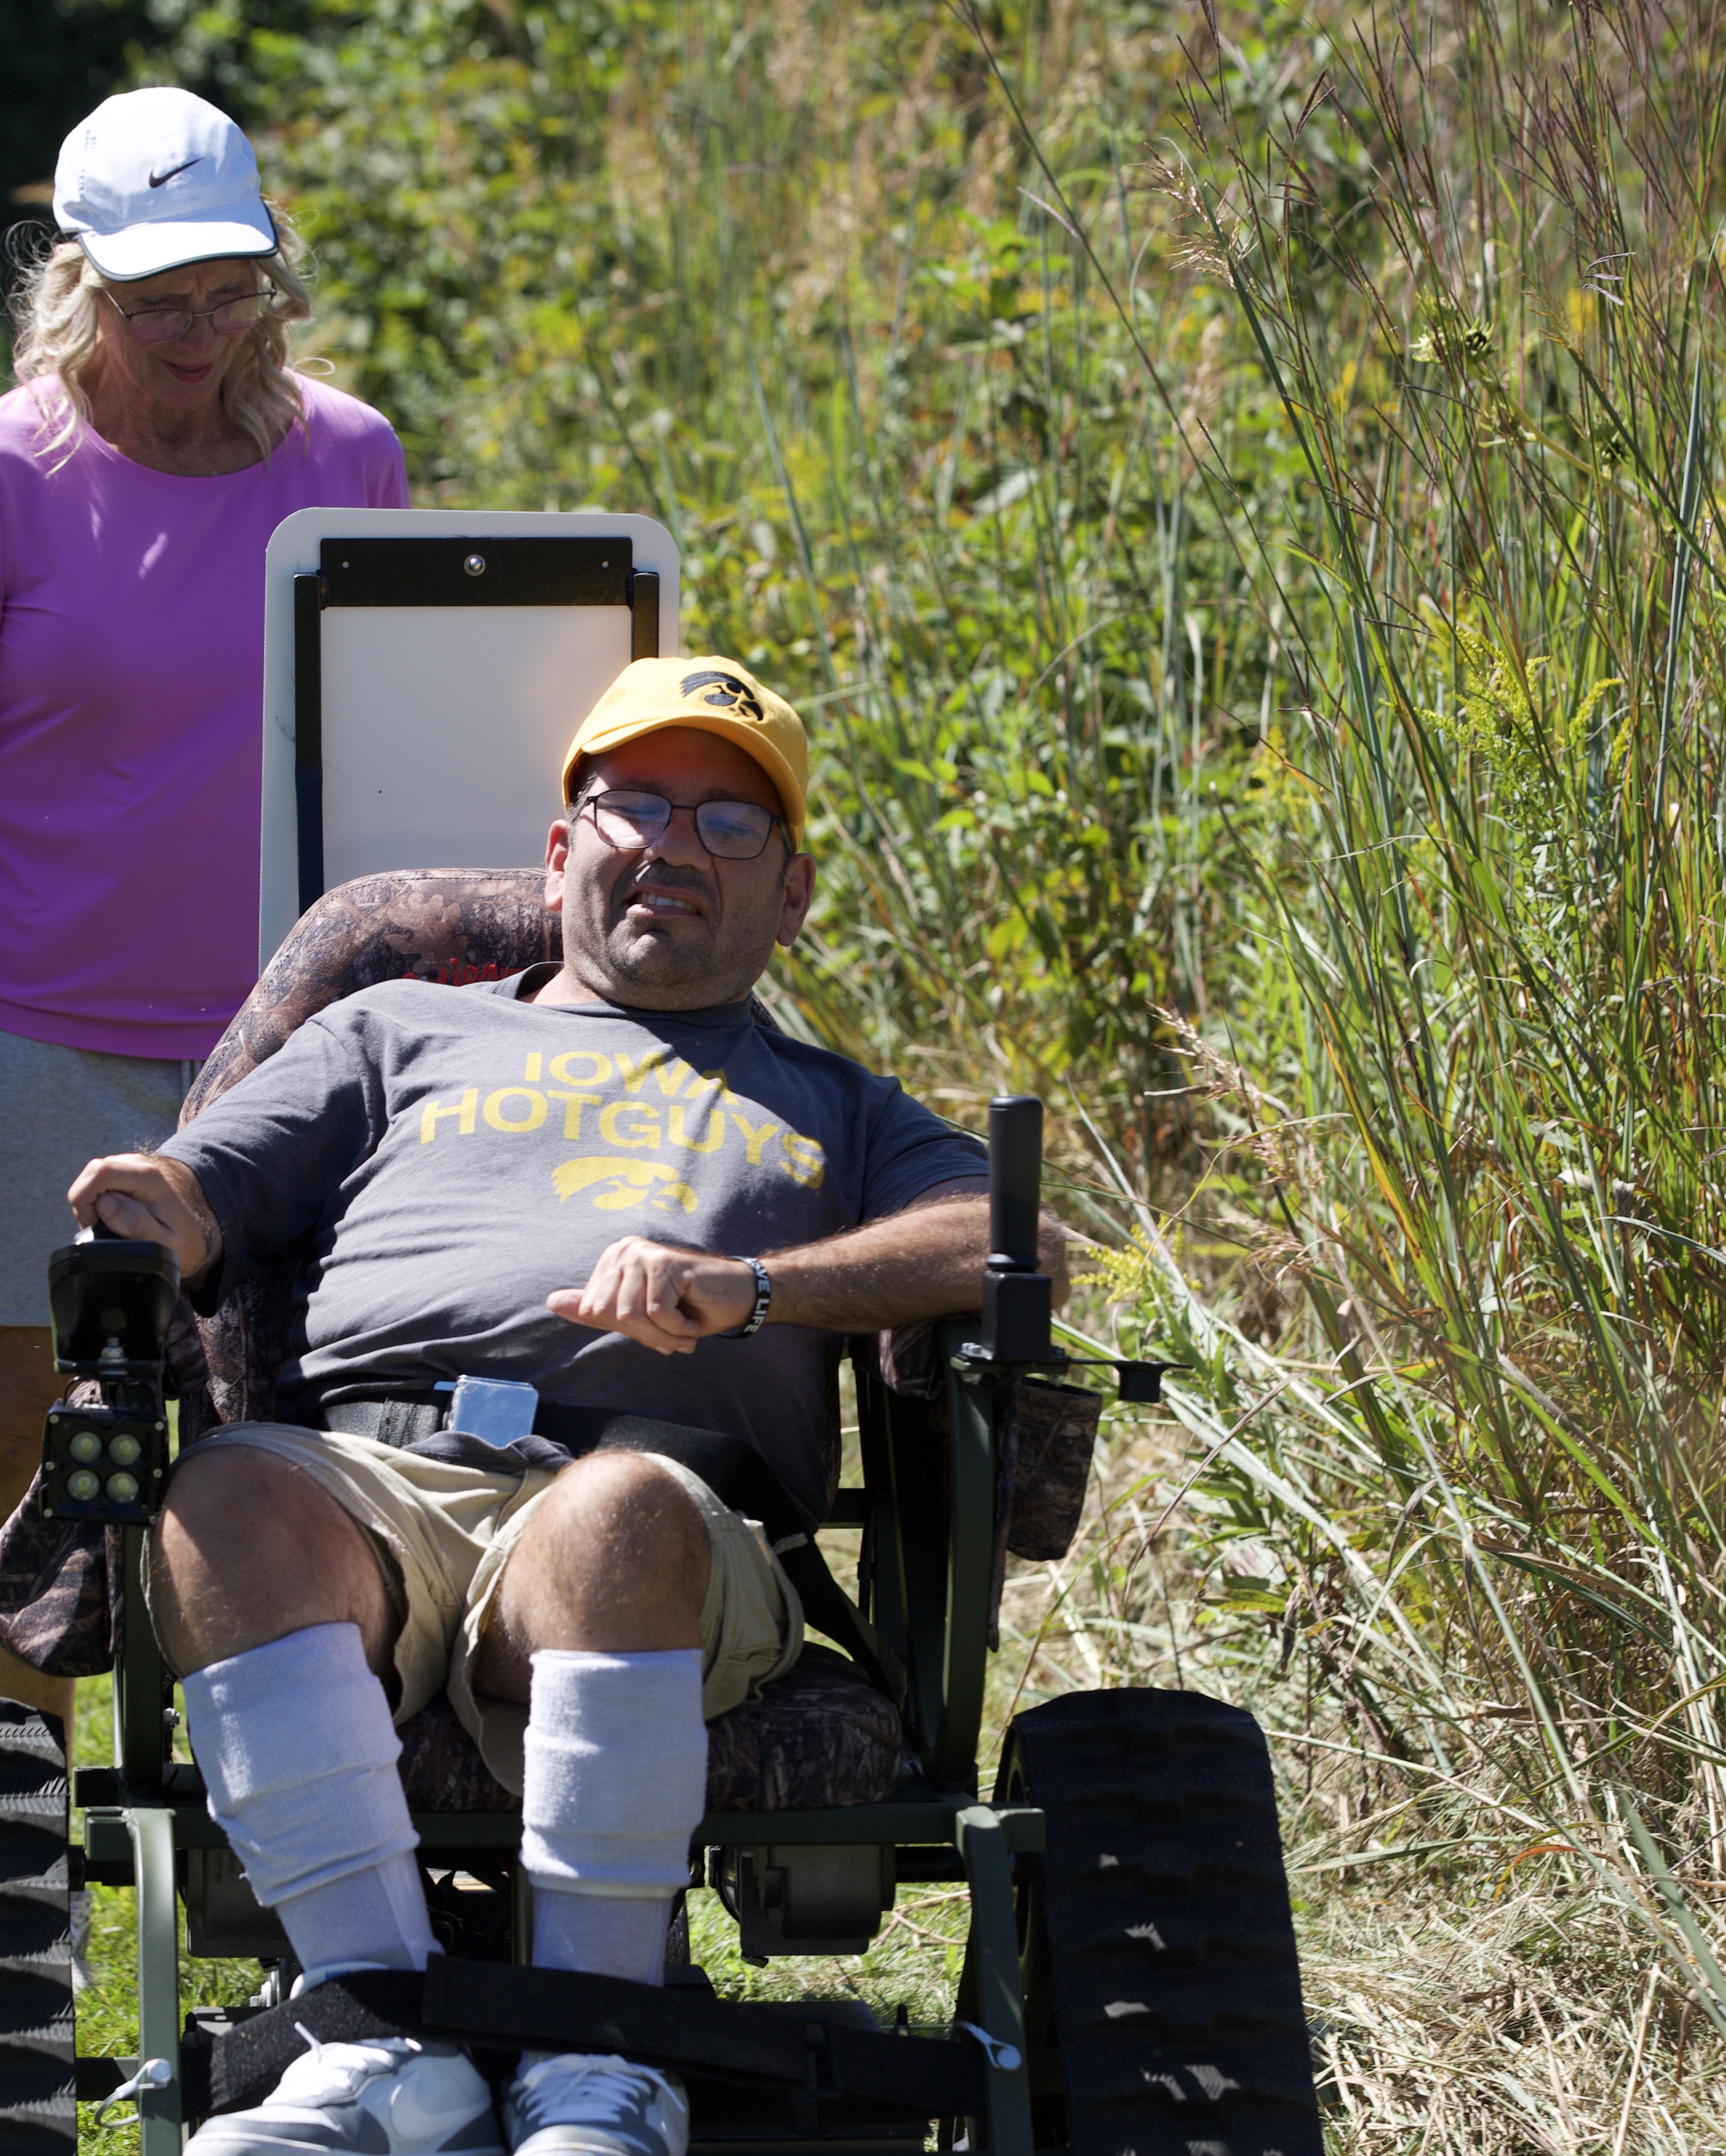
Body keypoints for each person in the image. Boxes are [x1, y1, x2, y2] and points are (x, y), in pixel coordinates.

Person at [68, 657, 1030, 2156]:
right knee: (222, 1495)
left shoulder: (839, 1105)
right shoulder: (394, 1030)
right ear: (561, 850)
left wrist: (754, 1289)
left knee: (614, 1515)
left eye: (728, 824)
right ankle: (375, 2039)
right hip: (369, 1484)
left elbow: (1001, 1237)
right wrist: (155, 1203)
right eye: (632, 804)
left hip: (661, 1519)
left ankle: (599, 2063)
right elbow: (209, 1187)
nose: (669, 844)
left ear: (792, 896)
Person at [0, 86, 405, 1730]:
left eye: (234, 294)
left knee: (284, 1442)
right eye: (161, 304)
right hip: (21, 1036)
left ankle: (280, 1822)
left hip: (275, 1050)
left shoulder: (350, 460)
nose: (203, 335)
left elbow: (390, 757)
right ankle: (15, 1828)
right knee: (20, 1447)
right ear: (77, 283)